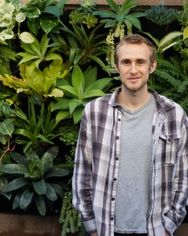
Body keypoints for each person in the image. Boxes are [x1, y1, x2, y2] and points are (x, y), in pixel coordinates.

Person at [72, 34, 188, 236]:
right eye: (126, 62)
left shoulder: (174, 115)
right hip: (105, 229)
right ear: (117, 66)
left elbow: (182, 177)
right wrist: (91, 226)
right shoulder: (95, 112)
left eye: (140, 62)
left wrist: (169, 226)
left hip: (156, 229)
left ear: (152, 66)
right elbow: (82, 172)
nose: (133, 70)